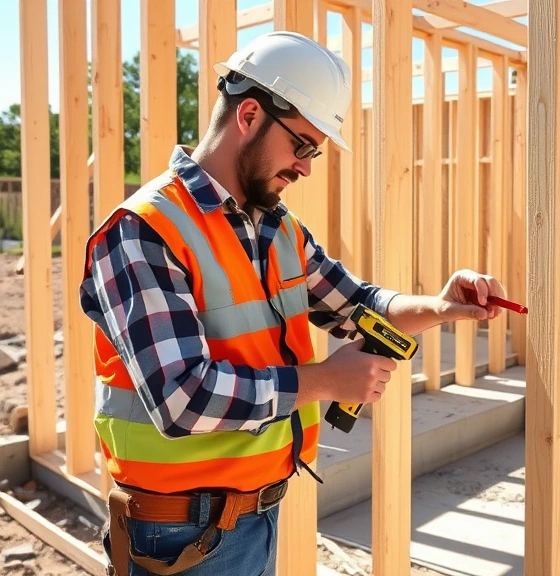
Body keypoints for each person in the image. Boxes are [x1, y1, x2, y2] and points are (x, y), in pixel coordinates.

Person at [80, 30, 506, 576]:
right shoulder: (143, 231)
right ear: (250, 114)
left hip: (254, 515)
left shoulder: (277, 230)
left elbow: (360, 304)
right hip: (177, 535)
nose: (306, 166)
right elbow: (182, 397)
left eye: (315, 152)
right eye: (302, 145)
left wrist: (443, 306)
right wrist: (326, 381)